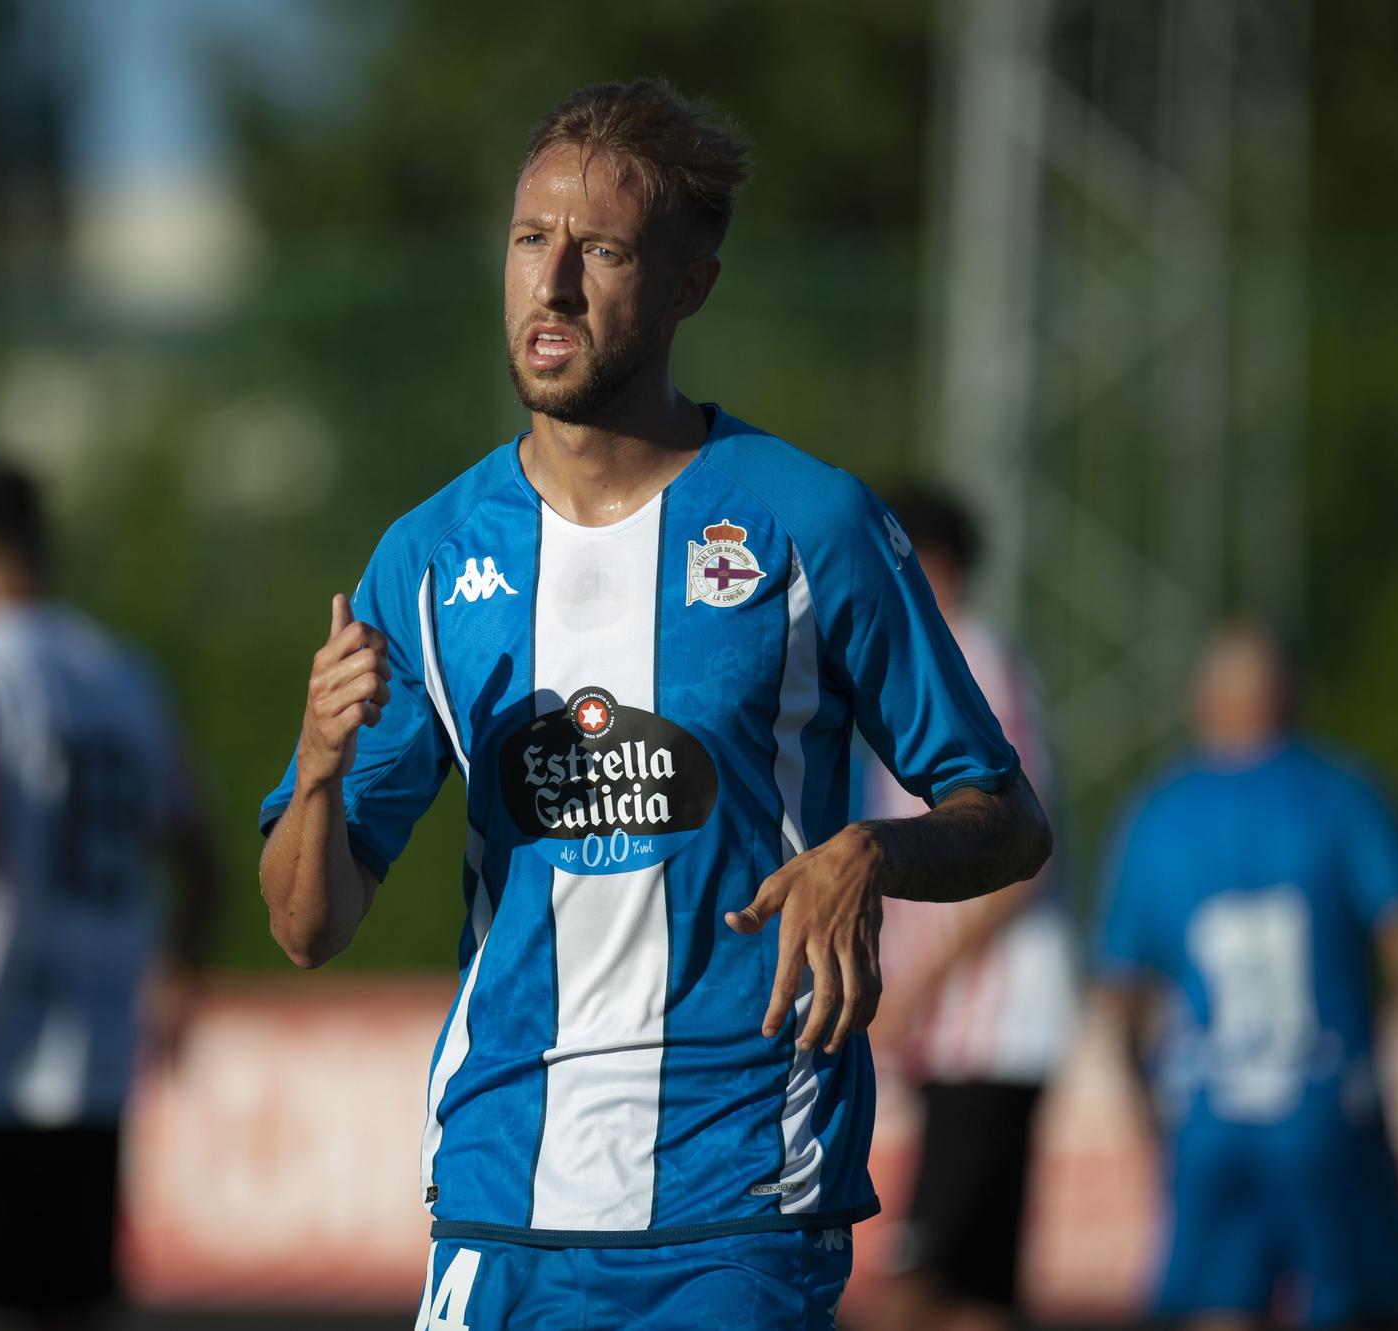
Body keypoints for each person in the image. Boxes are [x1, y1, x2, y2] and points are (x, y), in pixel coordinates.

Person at [257, 82, 1052, 1330]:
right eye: (530, 239)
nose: (554, 283)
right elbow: (308, 923)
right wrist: (313, 770)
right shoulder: (426, 557)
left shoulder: (808, 522)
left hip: (734, 1201)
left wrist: (871, 851)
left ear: (689, 283)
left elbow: (1005, 818)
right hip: (497, 1191)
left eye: (603, 250)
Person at [0, 462, 223, 1331]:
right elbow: (200, 852)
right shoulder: (122, 675)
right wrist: (178, 971)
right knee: (62, 1305)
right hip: (93, 1048)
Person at [1094, 621, 1398, 1330]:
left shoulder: (1157, 812)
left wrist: (1147, 1106)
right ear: (1289, 694)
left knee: (1214, 1305)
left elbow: (1119, 994)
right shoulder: (1343, 793)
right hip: (1327, 1108)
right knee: (1362, 1299)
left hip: (1208, 1119)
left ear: (1207, 699)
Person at [860, 488, 1077, 1331]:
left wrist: (921, 986)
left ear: (931, 564)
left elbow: (1023, 851)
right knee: (977, 1292)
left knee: (915, 1283)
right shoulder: (940, 663)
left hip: (987, 1026)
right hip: (965, 1035)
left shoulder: (975, 661)